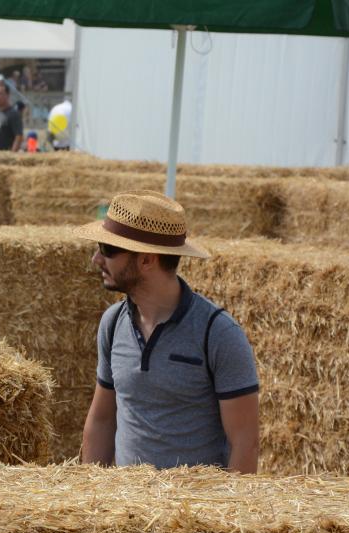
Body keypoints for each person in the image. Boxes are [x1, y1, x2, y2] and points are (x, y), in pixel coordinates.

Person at [77, 190, 260, 473]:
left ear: (147, 260)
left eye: (107, 249)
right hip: (125, 511)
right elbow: (102, 421)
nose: (96, 260)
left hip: (191, 513)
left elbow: (245, 442)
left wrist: (227, 513)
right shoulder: (113, 324)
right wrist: (87, 498)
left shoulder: (218, 333)